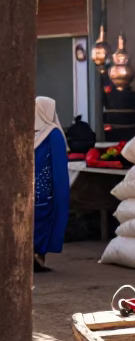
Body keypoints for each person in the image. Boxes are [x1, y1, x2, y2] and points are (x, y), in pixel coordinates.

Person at [33, 97, 70, 273]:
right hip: (46, 191)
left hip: (34, 190)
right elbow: (59, 166)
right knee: (43, 221)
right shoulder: (53, 134)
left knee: (36, 222)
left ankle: (34, 258)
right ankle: (37, 258)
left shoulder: (33, 134)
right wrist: (61, 192)